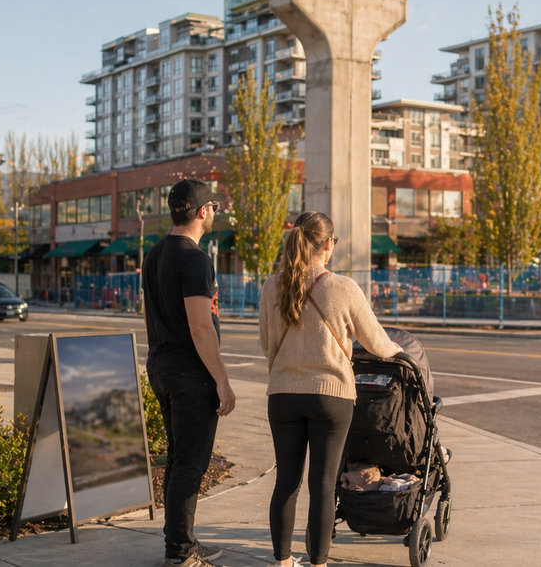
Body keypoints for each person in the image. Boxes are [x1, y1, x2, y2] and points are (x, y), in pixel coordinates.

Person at [259, 211, 403, 567]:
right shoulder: (343, 288)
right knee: (322, 485)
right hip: (330, 395)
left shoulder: (271, 285)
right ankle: (318, 563)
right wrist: (403, 354)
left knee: (286, 483)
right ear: (327, 244)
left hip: (283, 394)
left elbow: (266, 343)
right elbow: (377, 343)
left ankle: (282, 561)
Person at [142, 178, 233, 567]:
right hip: (188, 373)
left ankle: (182, 543)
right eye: (212, 207)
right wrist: (222, 380)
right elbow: (200, 326)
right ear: (200, 212)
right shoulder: (194, 258)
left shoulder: (155, 254)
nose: (213, 212)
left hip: (161, 365)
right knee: (190, 464)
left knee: (181, 460)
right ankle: (179, 553)